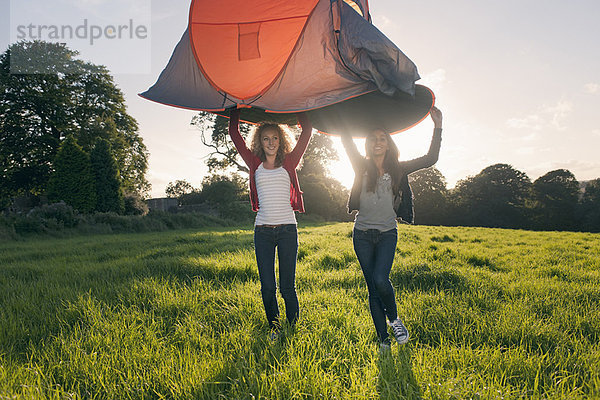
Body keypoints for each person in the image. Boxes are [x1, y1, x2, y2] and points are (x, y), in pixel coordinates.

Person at [340, 106, 443, 350]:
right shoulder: (360, 165)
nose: (378, 142)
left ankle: (394, 319)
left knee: (380, 279)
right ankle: (383, 339)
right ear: (367, 144)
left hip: (387, 234)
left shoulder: (399, 168)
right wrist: (339, 110)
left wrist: (437, 127)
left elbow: (431, 159)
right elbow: (345, 139)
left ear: (388, 143)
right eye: (373, 138)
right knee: (372, 288)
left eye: (382, 138)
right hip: (362, 235)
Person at [228, 108, 312, 339]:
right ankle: (274, 328)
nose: (271, 142)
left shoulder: (291, 161)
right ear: (259, 141)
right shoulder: (253, 162)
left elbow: (307, 132)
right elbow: (234, 134)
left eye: (275, 137)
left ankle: (293, 328)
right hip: (262, 232)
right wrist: (233, 109)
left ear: (281, 140)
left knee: (287, 287)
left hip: (287, 230)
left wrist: (300, 108)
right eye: (266, 138)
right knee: (267, 286)